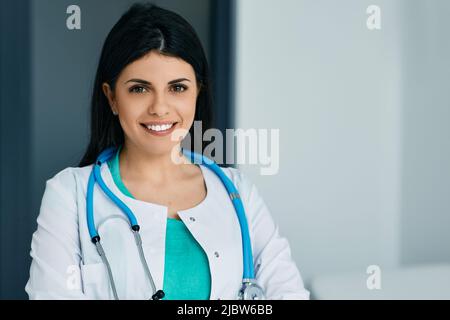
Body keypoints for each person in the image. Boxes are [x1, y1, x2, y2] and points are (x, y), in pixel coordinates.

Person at [25, 2, 309, 300]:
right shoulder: (69, 195)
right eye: (139, 88)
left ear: (198, 92)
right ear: (111, 98)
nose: (160, 107)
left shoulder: (238, 193)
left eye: (178, 88)